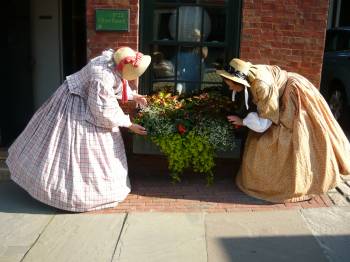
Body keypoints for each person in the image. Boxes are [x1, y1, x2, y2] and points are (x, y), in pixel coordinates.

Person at [6, 47, 151, 212]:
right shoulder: (101, 76)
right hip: (75, 104)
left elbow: (116, 83)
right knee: (69, 148)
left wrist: (134, 96)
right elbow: (102, 109)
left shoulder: (110, 60)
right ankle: (68, 195)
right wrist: (129, 123)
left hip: (89, 99)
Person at [217, 58, 350, 203]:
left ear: (240, 81)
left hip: (294, 94)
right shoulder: (249, 72)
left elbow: (264, 124)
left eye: (231, 85)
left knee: (294, 133)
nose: (230, 88)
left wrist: (243, 121)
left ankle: (300, 182)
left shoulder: (261, 86)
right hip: (288, 87)